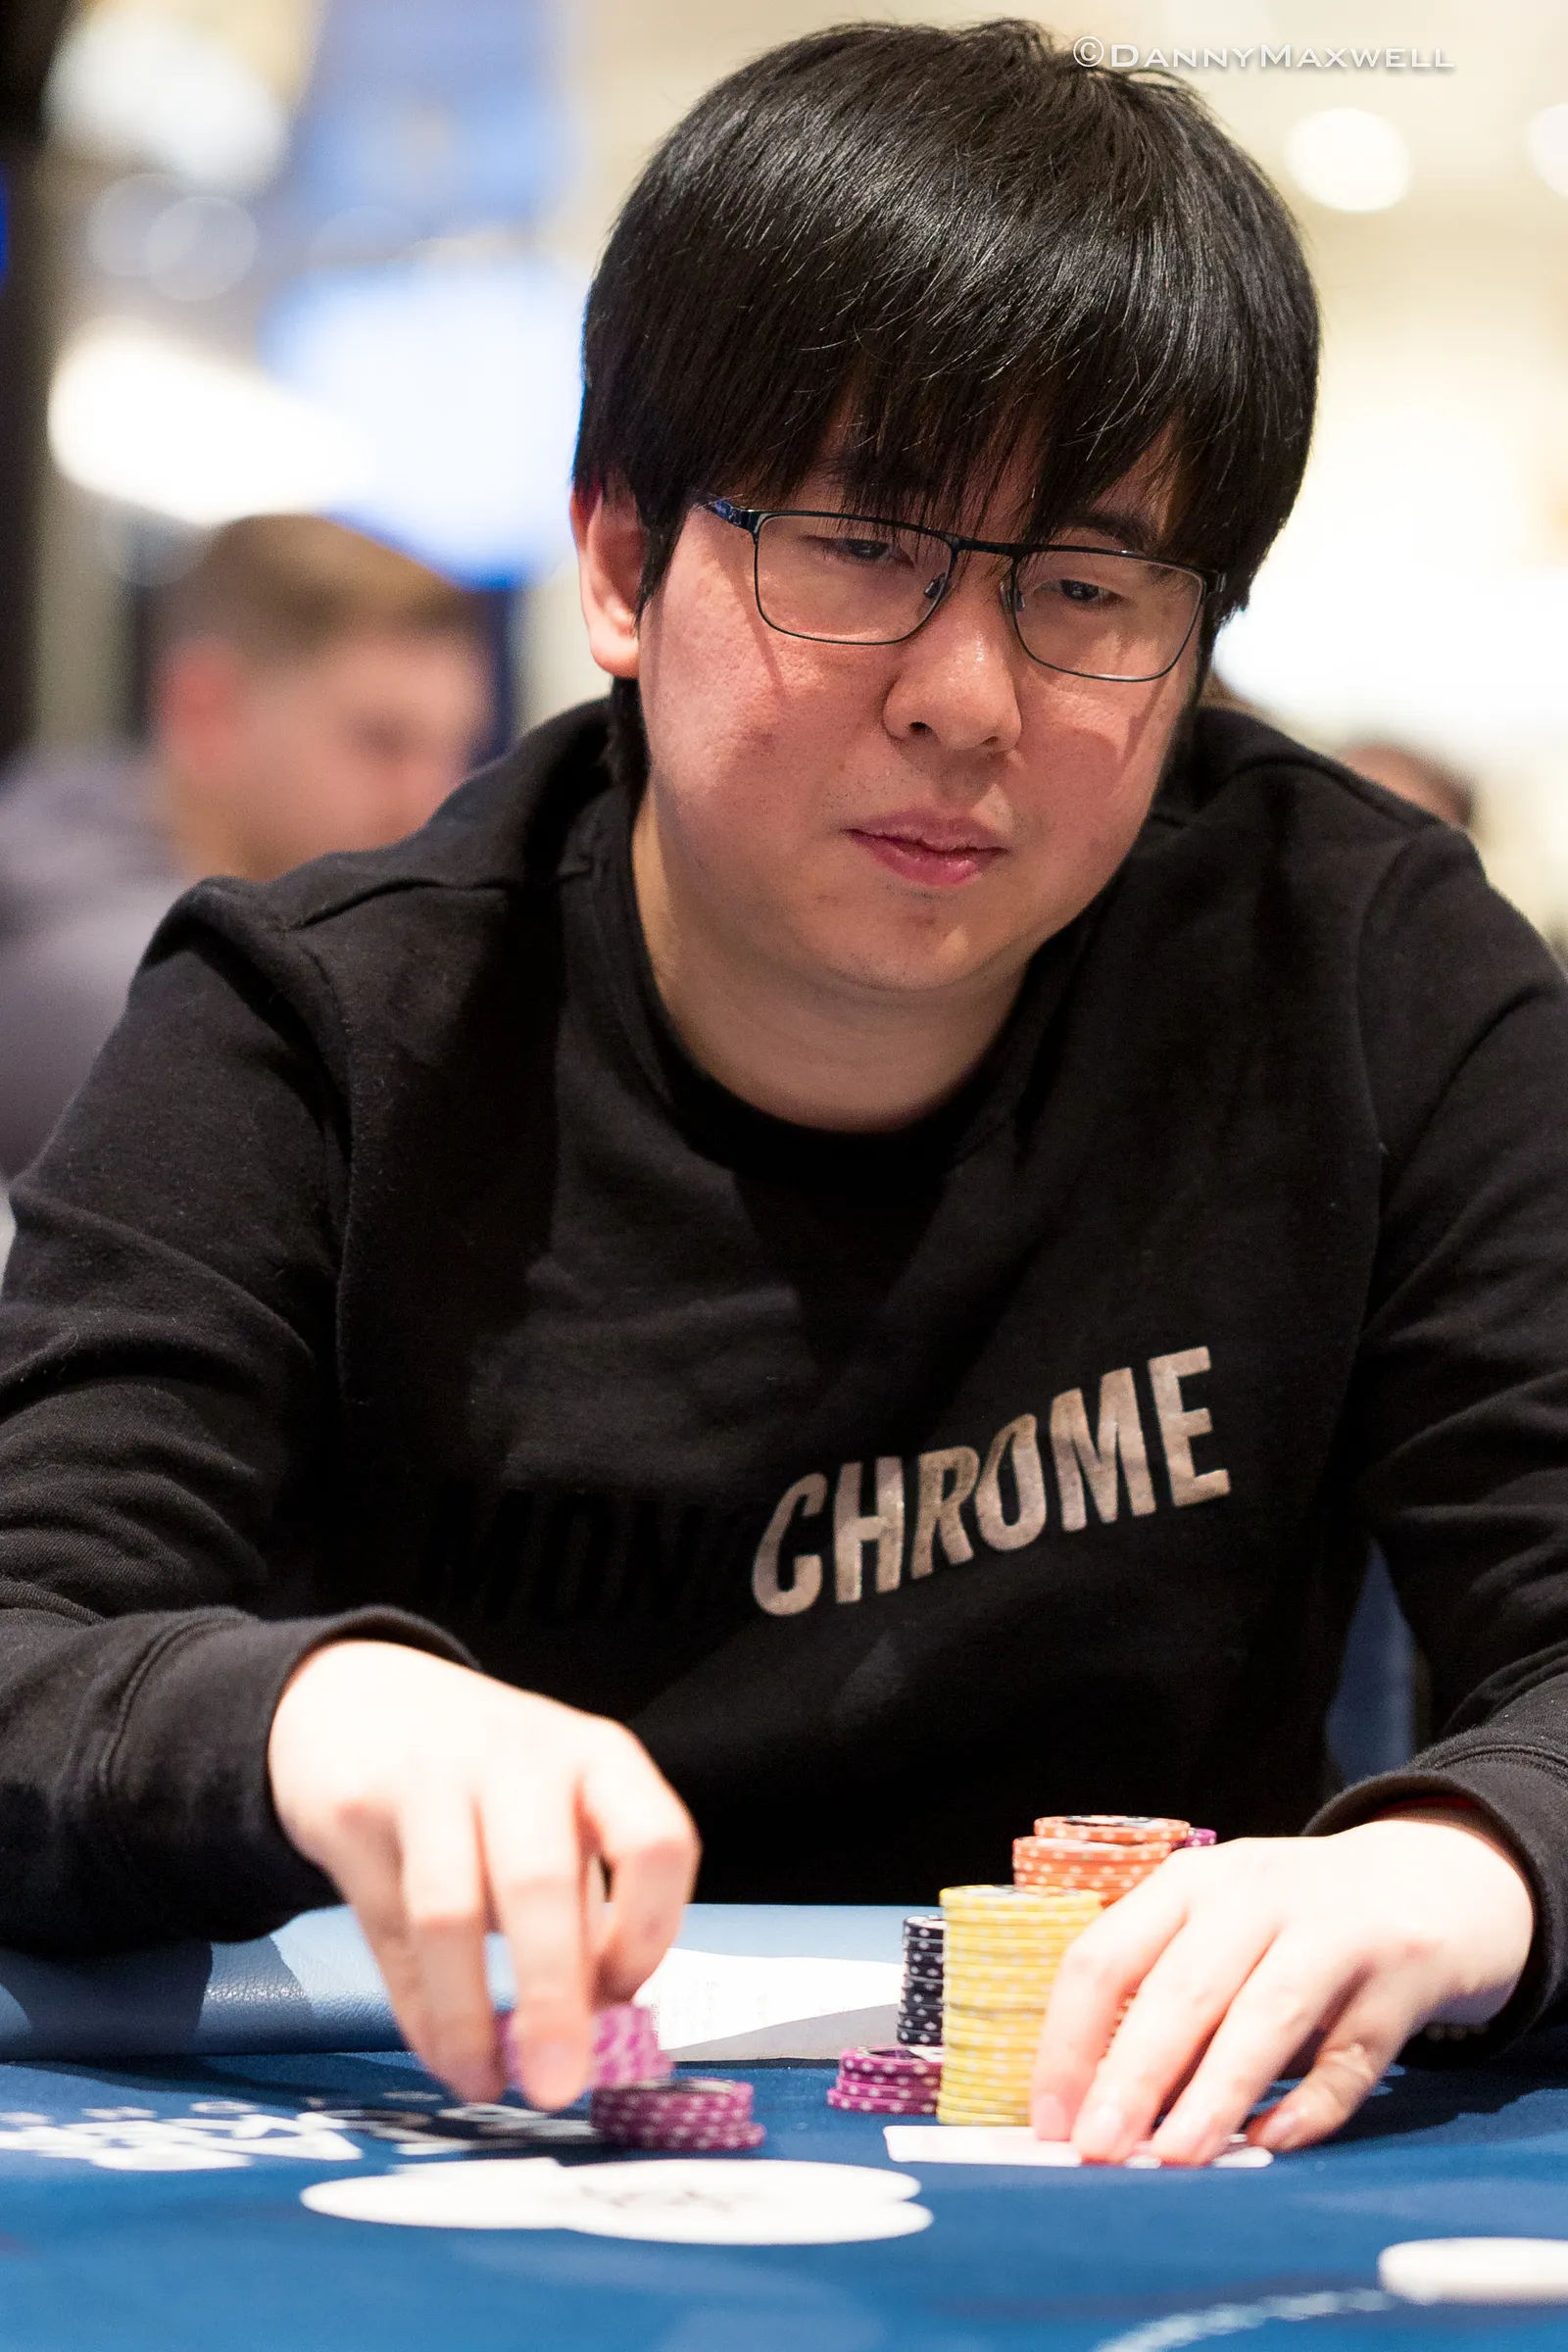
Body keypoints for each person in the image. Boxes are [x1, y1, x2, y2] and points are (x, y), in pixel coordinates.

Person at [0, 24, 1559, 2172]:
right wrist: (298, 1712)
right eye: (858, 547)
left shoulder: (1369, 973)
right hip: (435, 2152)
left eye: (1089, 590)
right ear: (620, 563)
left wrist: (1469, 1858)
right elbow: (24, 1635)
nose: (966, 697)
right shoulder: (320, 1026)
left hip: (1148, 2174)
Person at [0, 514, 492, 1178]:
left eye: (455, 751)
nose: (432, 802)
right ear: (207, 713)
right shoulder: (140, 995)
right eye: (381, 742)